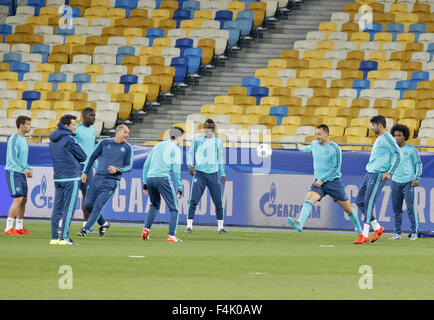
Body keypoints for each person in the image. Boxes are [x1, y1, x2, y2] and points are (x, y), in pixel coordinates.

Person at [287, 125, 362, 237]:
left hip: (333, 183)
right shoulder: (314, 144)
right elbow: (308, 149)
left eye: (319, 134)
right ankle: (300, 224)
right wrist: (300, 147)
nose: (317, 137)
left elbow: (336, 169)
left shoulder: (335, 149)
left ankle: (359, 229)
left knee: (349, 209)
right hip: (318, 182)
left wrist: (323, 179)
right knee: (308, 200)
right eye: (316, 134)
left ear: (326, 134)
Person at [354, 115, 402, 244]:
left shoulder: (388, 138)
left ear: (380, 125)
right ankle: (377, 227)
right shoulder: (380, 138)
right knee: (359, 201)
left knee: (369, 201)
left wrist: (390, 172)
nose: (372, 128)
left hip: (378, 174)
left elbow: (398, 155)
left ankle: (365, 234)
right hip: (370, 173)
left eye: (373, 125)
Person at [78, 124, 133, 237]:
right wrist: (85, 172)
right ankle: (104, 224)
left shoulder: (127, 148)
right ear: (118, 132)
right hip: (97, 178)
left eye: (128, 133)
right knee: (88, 205)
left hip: (111, 182)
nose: (127, 135)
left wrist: (118, 169)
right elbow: (92, 157)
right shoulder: (104, 143)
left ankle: (85, 229)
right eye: (125, 132)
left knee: (98, 206)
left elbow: (129, 166)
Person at [49, 115, 87, 245]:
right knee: (69, 208)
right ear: (66, 126)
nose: (75, 127)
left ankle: (54, 237)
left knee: (57, 208)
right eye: (73, 124)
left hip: (58, 177)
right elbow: (82, 156)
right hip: (71, 176)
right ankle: (64, 237)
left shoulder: (52, 139)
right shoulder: (69, 139)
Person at [142, 127, 184, 242]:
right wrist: (179, 187)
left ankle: (146, 229)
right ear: (179, 137)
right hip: (163, 178)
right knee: (174, 208)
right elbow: (176, 171)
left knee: (154, 205)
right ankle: (171, 235)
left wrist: (145, 183)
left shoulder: (157, 146)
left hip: (150, 178)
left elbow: (146, 165)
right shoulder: (175, 149)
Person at [185, 119, 227, 234]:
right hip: (200, 173)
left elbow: (220, 159)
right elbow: (190, 153)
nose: (209, 130)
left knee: (218, 202)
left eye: (211, 128)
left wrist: (222, 174)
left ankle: (221, 228)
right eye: (207, 127)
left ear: (214, 129)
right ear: (204, 128)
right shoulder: (198, 140)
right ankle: (189, 226)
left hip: (213, 174)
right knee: (193, 201)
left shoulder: (218, 142)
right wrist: (190, 165)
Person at [389, 124, 423, 241]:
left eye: (399, 135)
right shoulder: (392, 150)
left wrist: (416, 177)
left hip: (408, 182)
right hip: (395, 182)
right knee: (396, 209)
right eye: (395, 136)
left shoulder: (411, 149)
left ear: (405, 137)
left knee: (410, 208)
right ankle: (397, 233)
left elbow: (418, 164)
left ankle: (414, 232)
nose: (396, 138)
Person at [3, 116, 33, 235]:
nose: (30, 127)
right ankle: (8, 227)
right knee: (18, 198)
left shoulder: (24, 140)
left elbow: (23, 159)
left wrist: (28, 169)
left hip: (21, 172)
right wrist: (23, 168)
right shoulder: (14, 138)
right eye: (28, 124)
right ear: (21, 125)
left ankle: (19, 227)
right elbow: (13, 157)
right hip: (13, 171)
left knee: (24, 199)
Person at [74, 107, 98, 233]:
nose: (93, 118)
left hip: (89, 167)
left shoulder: (93, 130)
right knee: (71, 195)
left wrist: (95, 164)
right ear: (84, 116)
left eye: (94, 116)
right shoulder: (77, 129)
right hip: (77, 166)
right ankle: (62, 223)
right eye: (91, 116)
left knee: (87, 197)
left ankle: (86, 225)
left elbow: (93, 148)